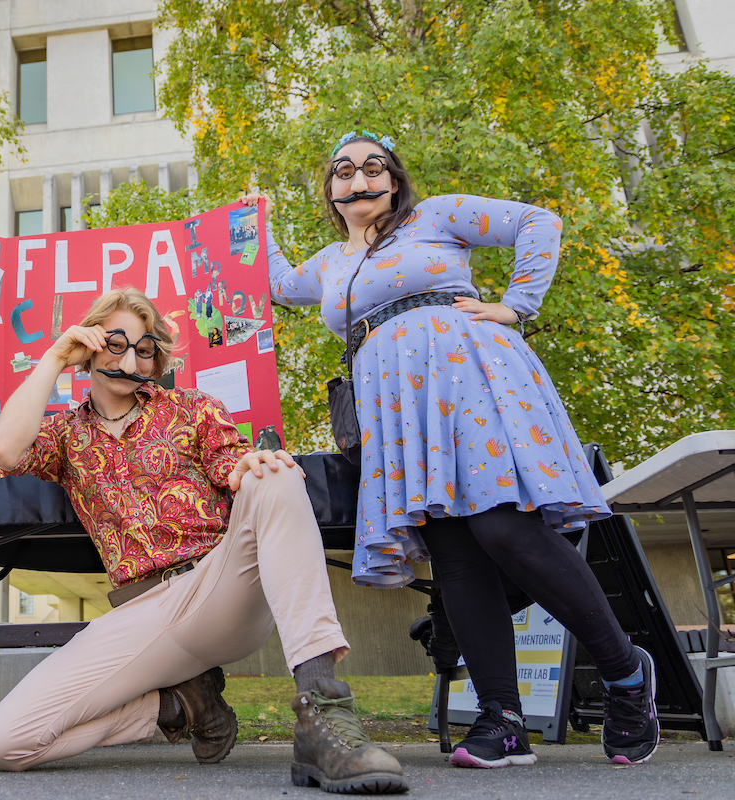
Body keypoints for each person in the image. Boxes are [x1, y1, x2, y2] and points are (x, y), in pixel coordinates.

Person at [243, 130, 659, 768]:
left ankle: (626, 673)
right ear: (330, 191)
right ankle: (503, 718)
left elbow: (536, 222)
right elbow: (275, 282)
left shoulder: (434, 216)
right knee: (453, 550)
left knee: (502, 528)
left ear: (395, 177)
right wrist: (256, 220)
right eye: (343, 171)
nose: (358, 180)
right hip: (399, 413)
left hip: (469, 378)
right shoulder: (329, 261)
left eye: (372, 167)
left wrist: (516, 305)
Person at [0, 287, 407, 795]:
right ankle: (180, 705)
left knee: (274, 474)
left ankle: (325, 714)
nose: (130, 358)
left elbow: (235, 465)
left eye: (144, 349)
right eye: (115, 343)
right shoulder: (66, 434)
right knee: (3, 743)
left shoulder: (193, 407)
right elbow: (4, 452)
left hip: (220, 586)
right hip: (143, 611)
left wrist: (251, 465)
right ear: (89, 344)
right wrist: (54, 356)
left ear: (155, 360)